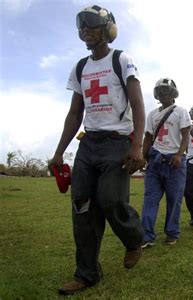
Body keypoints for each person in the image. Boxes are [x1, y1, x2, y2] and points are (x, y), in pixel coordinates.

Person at [48, 5, 146, 295]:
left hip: (117, 144)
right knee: (82, 208)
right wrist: (58, 152)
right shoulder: (80, 67)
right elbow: (74, 114)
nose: (85, 31)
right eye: (82, 27)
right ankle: (86, 274)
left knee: (111, 200)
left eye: (92, 25)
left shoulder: (121, 59)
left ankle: (133, 239)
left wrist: (137, 145)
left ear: (108, 30)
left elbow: (138, 104)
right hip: (88, 145)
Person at [141, 78, 191, 248]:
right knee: (150, 199)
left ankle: (172, 232)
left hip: (175, 162)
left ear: (173, 94)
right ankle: (147, 236)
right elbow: (148, 136)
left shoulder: (181, 112)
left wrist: (179, 154)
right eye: (160, 91)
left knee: (174, 199)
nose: (163, 94)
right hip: (155, 160)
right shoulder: (152, 114)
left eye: (166, 91)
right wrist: (143, 156)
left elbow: (186, 135)